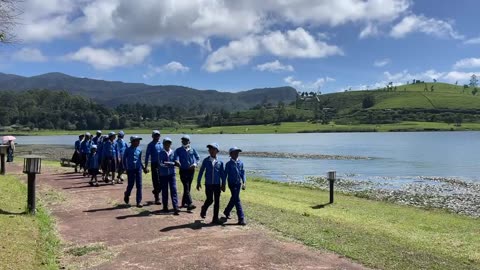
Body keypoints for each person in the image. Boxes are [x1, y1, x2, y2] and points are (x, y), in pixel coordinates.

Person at [197, 143, 226, 224]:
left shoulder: (220, 162)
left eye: (213, 149)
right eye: (210, 149)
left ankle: (215, 219)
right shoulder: (206, 160)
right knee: (210, 200)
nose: (211, 151)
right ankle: (204, 208)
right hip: (208, 184)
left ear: (217, 151)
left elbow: (222, 174)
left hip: (217, 185)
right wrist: (198, 181)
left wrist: (223, 184)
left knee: (217, 201)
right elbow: (201, 171)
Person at [174, 135, 200, 211]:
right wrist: (177, 161)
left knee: (188, 187)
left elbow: (198, 158)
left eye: (186, 140)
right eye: (183, 140)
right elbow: (176, 157)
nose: (184, 142)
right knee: (186, 186)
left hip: (191, 170)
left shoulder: (193, 150)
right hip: (183, 170)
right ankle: (190, 204)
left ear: (189, 141)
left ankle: (184, 202)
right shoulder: (178, 150)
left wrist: (195, 164)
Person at [223, 147, 247, 226]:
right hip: (231, 184)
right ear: (230, 154)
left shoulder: (240, 163)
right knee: (237, 200)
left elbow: (242, 173)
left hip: (238, 184)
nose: (236, 154)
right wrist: (223, 184)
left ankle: (227, 211)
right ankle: (241, 218)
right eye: (234, 153)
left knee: (234, 198)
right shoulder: (228, 164)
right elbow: (224, 175)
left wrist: (244, 182)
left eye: (237, 153)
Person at [158, 137, 180, 214]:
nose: (167, 144)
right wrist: (172, 164)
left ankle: (175, 207)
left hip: (172, 174)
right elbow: (161, 163)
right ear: (163, 144)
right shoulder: (161, 152)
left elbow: (176, 161)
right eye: (166, 143)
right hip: (163, 174)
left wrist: (171, 163)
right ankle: (165, 207)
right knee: (164, 191)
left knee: (174, 190)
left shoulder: (173, 152)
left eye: (169, 143)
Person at [123, 136, 146, 208]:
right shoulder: (127, 150)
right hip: (130, 169)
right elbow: (124, 160)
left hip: (138, 169)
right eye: (137, 141)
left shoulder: (139, 150)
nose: (138, 142)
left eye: (139, 141)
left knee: (139, 185)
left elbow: (140, 160)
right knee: (131, 184)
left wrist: (144, 168)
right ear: (132, 142)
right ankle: (127, 194)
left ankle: (138, 202)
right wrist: (125, 169)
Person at [144, 130, 163, 205]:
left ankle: (156, 191)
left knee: (162, 180)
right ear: (152, 136)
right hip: (154, 164)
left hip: (161, 164)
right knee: (156, 180)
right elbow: (147, 156)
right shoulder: (150, 145)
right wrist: (145, 166)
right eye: (155, 135)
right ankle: (157, 198)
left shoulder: (162, 144)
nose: (157, 137)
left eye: (158, 135)